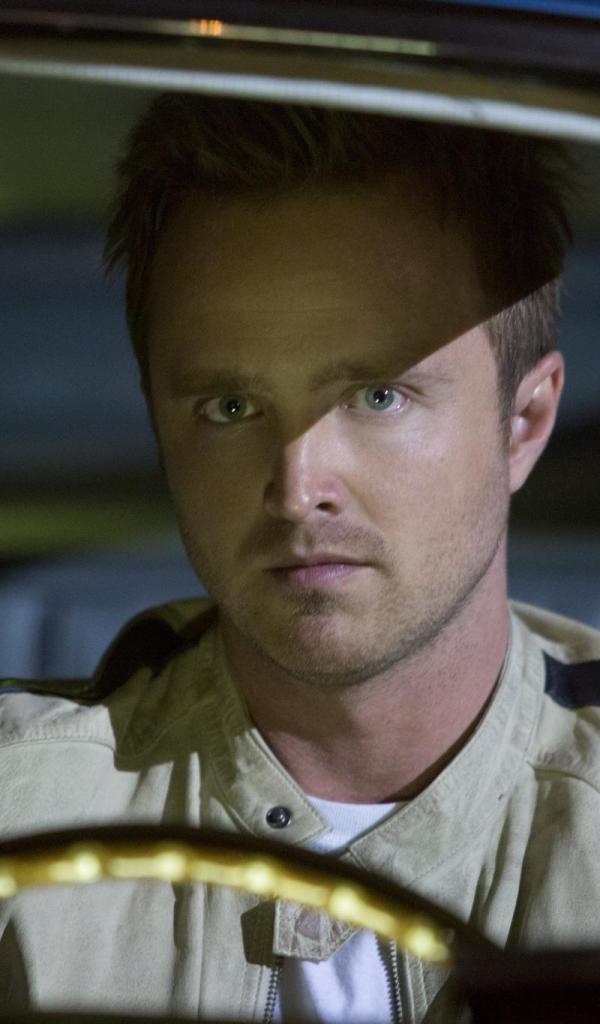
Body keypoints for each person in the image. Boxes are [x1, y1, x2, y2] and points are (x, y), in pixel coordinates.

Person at [0, 94, 596, 1024]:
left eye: (378, 395)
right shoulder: (22, 813)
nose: (296, 487)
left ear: (523, 422)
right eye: (230, 407)